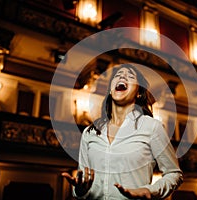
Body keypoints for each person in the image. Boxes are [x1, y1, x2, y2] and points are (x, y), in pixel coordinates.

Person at [62, 63, 183, 199]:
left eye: (130, 76)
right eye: (118, 76)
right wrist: (79, 190)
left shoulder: (152, 127)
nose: (122, 77)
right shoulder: (89, 132)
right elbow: (82, 180)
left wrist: (148, 190)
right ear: (110, 90)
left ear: (138, 93)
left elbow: (174, 174)